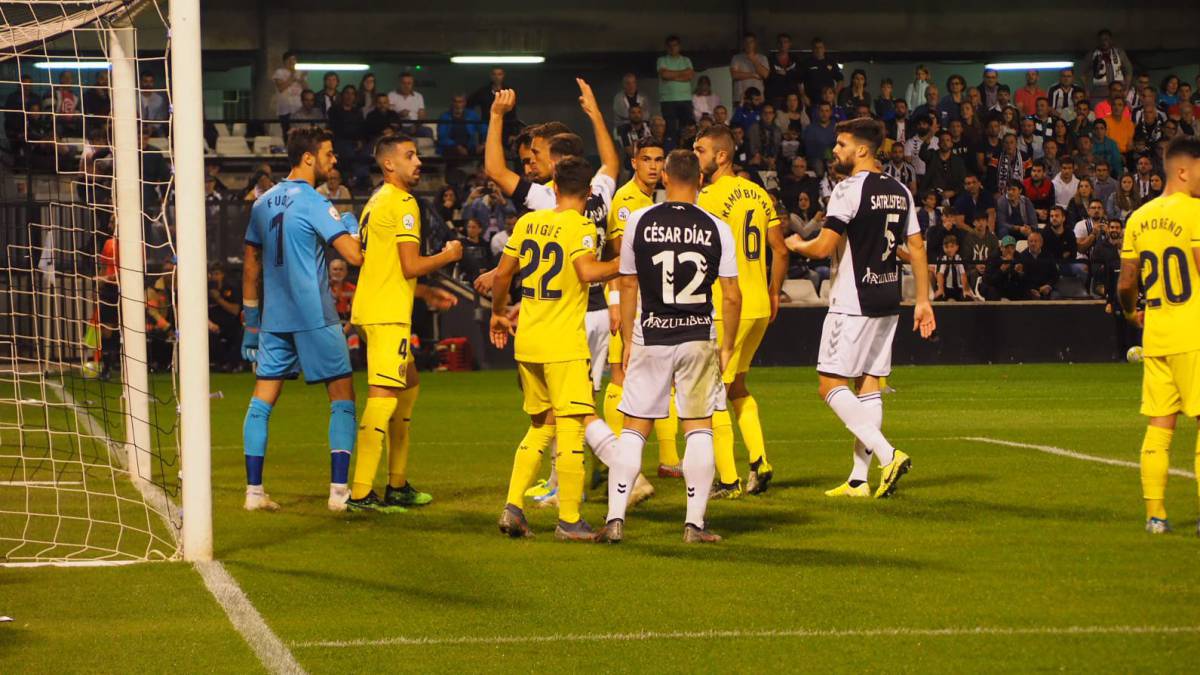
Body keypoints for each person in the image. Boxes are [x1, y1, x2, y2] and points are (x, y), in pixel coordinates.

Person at [784, 117, 936, 498]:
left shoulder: (848, 189)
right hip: (888, 299)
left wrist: (794, 245)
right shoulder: (901, 190)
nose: (835, 151)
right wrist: (922, 299)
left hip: (852, 301)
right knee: (868, 385)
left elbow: (821, 247)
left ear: (862, 150)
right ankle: (857, 479)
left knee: (829, 385)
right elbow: (917, 248)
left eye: (841, 144)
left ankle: (889, 455)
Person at [602, 149, 741, 544]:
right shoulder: (717, 227)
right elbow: (731, 295)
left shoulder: (640, 221)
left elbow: (627, 282)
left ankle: (615, 519)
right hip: (698, 336)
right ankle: (694, 525)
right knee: (698, 428)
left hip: (651, 336)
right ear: (700, 179)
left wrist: (628, 338)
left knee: (634, 429)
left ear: (664, 177)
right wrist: (727, 345)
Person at [489, 157, 622, 541]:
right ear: (591, 192)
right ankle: (569, 520)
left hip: (528, 339)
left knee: (540, 426)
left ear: (555, 187)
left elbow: (502, 274)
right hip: (563, 343)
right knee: (571, 427)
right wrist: (623, 262)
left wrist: (498, 313)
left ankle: (513, 508)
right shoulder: (579, 225)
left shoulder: (529, 221)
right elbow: (587, 272)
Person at [239, 127, 365, 513]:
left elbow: (250, 265)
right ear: (308, 157)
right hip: (315, 315)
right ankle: (339, 494)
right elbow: (354, 256)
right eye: (328, 153)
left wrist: (250, 324)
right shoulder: (315, 202)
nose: (334, 160)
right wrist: (351, 225)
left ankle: (254, 493)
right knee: (342, 399)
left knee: (262, 402)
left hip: (274, 320)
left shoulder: (262, 203)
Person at [347, 134, 463, 512]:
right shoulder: (403, 204)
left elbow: (387, 268)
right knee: (383, 396)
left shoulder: (374, 203)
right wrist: (448, 255)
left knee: (408, 386)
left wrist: (426, 294)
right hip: (386, 315)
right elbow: (411, 265)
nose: (418, 162)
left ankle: (397, 484)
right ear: (389, 165)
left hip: (377, 306)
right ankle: (362, 492)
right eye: (409, 156)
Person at [695, 125, 789, 497]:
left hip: (727, 307)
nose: (696, 155)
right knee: (737, 388)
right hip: (759, 304)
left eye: (701, 149)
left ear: (722, 156)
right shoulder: (759, 193)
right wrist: (775, 292)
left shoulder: (710, 197)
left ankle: (728, 480)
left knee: (712, 394)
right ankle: (760, 460)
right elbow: (780, 250)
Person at [1115, 135, 1200, 534]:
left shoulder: (1138, 218)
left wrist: (1133, 312)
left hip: (1157, 337)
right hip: (1194, 334)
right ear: (1183, 170)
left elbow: (1127, 281)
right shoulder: (1195, 213)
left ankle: (1156, 515)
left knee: (1159, 426)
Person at [605, 140, 683, 478]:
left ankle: (668, 459)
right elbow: (620, 259)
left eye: (658, 160)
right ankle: (616, 456)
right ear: (633, 162)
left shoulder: (652, 201)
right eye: (646, 160)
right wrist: (615, 303)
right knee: (620, 375)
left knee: (664, 379)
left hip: (649, 301)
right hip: (627, 300)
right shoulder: (626, 201)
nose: (653, 166)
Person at [657, 35, 695, 142]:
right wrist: (682, 74)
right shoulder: (662, 60)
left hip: (685, 98)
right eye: (670, 46)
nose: (673, 48)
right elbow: (664, 75)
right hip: (668, 99)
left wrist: (672, 76)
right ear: (666, 47)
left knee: (687, 128)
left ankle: (686, 149)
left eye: (675, 45)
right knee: (670, 129)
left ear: (679, 46)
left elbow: (690, 75)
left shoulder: (686, 60)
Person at [208, 262, 242, 372]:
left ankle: (232, 364)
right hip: (211, 325)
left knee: (237, 334)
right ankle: (217, 364)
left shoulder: (230, 288)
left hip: (230, 324)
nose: (214, 277)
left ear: (223, 275)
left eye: (217, 274)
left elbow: (235, 310)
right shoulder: (205, 289)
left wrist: (219, 299)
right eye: (212, 274)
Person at [1084, 29, 1133, 100]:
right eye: (1101, 40)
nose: (1103, 42)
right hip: (1098, 93)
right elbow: (1082, 73)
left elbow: (1129, 70)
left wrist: (1126, 88)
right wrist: (1087, 89)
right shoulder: (1092, 54)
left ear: (1110, 40)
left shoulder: (1119, 53)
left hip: (1117, 93)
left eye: (1106, 39)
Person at [800, 37, 843, 107]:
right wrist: (803, 96)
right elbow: (799, 81)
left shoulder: (831, 62)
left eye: (820, 47)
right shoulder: (806, 63)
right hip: (812, 100)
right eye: (816, 48)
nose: (818, 50)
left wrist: (835, 94)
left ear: (824, 49)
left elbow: (840, 80)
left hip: (828, 100)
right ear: (812, 49)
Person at [730, 32, 769, 104]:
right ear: (743, 44)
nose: (749, 44)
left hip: (758, 98)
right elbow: (734, 75)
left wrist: (753, 60)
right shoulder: (736, 58)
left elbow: (765, 75)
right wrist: (753, 75)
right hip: (741, 98)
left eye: (751, 42)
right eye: (746, 42)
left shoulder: (762, 58)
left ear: (755, 43)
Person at [764, 33, 801, 109]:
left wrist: (786, 74)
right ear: (777, 44)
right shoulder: (770, 59)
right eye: (780, 42)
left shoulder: (795, 59)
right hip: (775, 98)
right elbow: (767, 77)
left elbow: (799, 79)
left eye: (785, 42)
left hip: (792, 99)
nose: (783, 44)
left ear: (790, 44)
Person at [1018, 230, 1059, 299]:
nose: (1033, 243)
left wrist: (1048, 285)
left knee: (1057, 296)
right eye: (1031, 241)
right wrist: (1030, 289)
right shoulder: (1021, 257)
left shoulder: (1049, 255)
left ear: (1041, 243)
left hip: (1046, 288)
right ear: (1027, 243)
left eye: (1035, 241)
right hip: (1029, 290)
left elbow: (1055, 275)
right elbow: (1021, 279)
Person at [272, 51, 306, 126]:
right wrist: (293, 76)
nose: (291, 62)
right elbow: (281, 88)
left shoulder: (299, 73)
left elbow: (306, 90)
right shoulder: (279, 72)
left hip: (299, 109)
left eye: (293, 59)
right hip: (285, 110)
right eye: (289, 60)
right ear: (284, 61)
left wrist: (302, 80)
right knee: (287, 132)